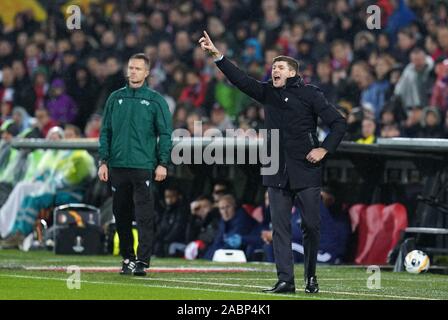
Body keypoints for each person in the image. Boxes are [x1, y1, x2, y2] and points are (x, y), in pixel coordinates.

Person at [199, 31, 346, 294]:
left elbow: (338, 123)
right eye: (273, 67)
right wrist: (218, 57)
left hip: (306, 168)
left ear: (291, 72)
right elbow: (241, 80)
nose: (274, 70)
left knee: (311, 225)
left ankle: (310, 276)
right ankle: (285, 281)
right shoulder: (268, 92)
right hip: (275, 167)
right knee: (279, 228)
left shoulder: (310, 94)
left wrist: (324, 149)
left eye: (279, 67)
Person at [98, 53, 173, 277]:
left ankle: (142, 261)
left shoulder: (155, 100)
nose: (133, 72)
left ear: (147, 72)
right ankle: (128, 258)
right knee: (120, 215)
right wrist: (103, 161)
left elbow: (166, 133)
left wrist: (163, 163)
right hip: (118, 166)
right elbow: (105, 132)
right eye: (131, 68)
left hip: (143, 166)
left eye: (138, 69)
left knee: (144, 215)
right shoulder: (114, 98)